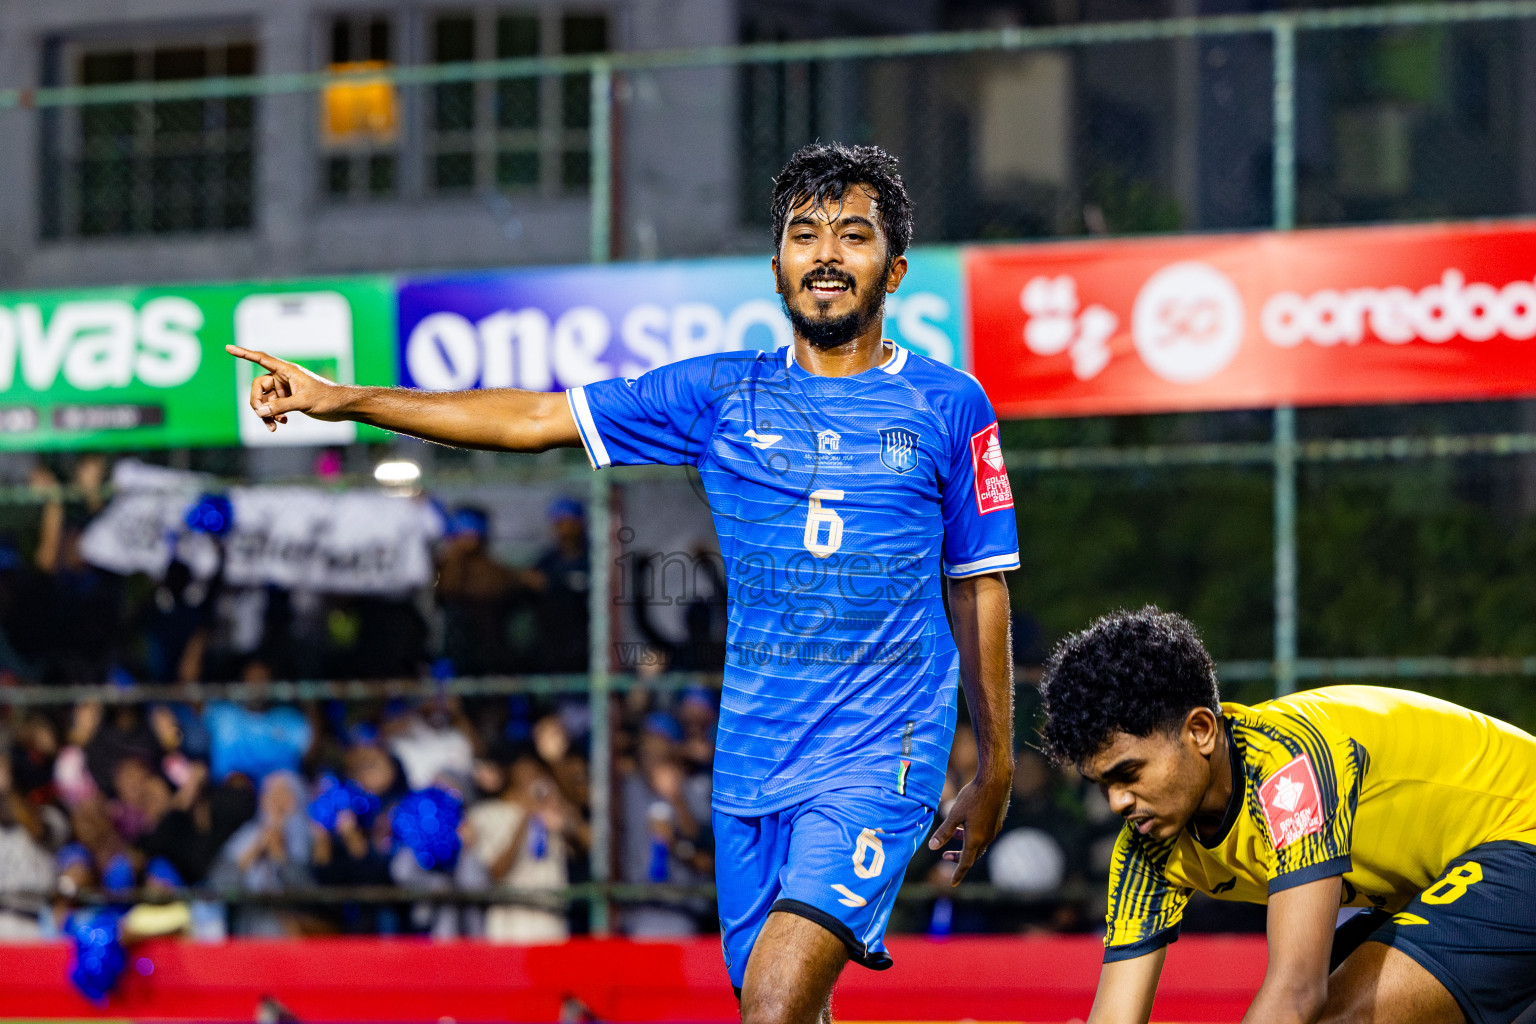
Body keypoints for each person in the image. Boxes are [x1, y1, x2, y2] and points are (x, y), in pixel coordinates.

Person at [226, 141, 1018, 1024]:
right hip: (751, 764)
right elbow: (533, 418)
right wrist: (345, 399)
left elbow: (979, 585)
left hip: (880, 753)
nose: (826, 254)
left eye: (854, 235)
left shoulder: (951, 405)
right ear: (777, 267)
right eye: (805, 234)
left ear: (894, 270)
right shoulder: (721, 394)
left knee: (775, 1002)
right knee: (787, 1012)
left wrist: (995, 763)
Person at [1039, 606, 1536, 1024]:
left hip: (1521, 830)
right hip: (1443, 877)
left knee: (1335, 1016)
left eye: (1129, 773)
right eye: (1102, 784)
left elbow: (1297, 995)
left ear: (1200, 731)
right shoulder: (1146, 844)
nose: (1117, 802)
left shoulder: (1290, 770)